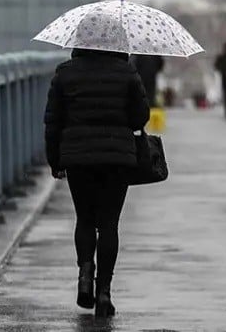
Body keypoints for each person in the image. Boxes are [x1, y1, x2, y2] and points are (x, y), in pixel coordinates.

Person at [44, 48, 150, 317]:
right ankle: (104, 292)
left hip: (78, 157)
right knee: (109, 223)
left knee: (85, 219)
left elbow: (53, 121)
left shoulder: (65, 73)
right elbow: (140, 117)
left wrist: (55, 161)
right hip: (117, 157)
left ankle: (84, 276)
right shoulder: (126, 72)